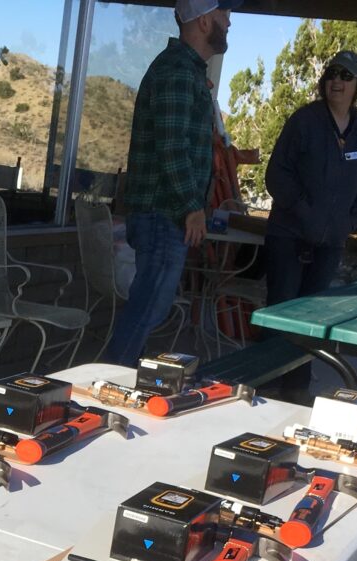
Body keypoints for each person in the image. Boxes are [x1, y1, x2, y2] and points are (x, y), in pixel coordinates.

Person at [104, 0, 241, 366]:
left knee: (148, 309)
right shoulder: (177, 71)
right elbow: (172, 146)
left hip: (163, 215)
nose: (229, 23)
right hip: (163, 215)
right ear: (204, 21)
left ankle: (117, 378)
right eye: (224, 14)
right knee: (147, 309)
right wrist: (192, 207)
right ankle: (108, 383)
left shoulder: (185, 70)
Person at [261, 50, 357, 402]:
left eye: (345, 76)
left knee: (311, 319)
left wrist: (353, 218)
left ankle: (296, 390)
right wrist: (304, 210)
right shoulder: (305, 121)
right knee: (281, 313)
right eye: (332, 74)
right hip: (289, 236)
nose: (336, 81)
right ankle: (264, 386)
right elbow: (276, 174)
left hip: (330, 243)